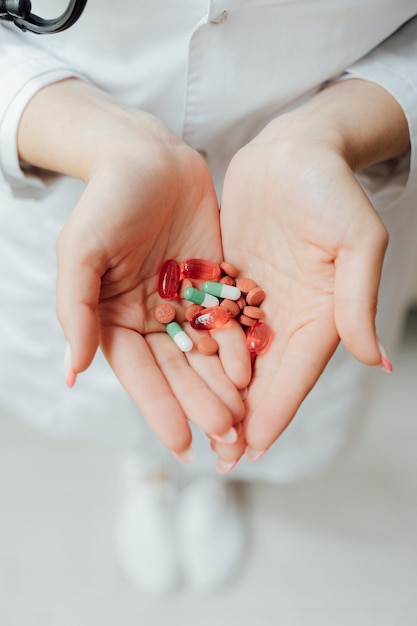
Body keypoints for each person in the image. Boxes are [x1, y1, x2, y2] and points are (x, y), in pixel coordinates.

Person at [1, 1, 417, 593]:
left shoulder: (214, 300)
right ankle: (149, 471)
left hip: (321, 190)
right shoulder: (179, 298)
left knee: (245, 400)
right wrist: (74, 124)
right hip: (83, 172)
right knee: (134, 387)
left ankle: (219, 477)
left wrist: (342, 125)